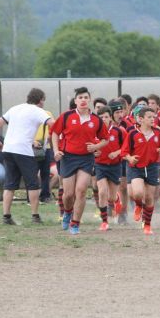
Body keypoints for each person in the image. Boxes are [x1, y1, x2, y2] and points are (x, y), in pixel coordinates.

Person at [51, 87, 108, 235]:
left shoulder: (96, 120)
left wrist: (96, 146)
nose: (83, 100)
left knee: (81, 191)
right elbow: (55, 133)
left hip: (86, 159)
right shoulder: (66, 116)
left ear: (89, 100)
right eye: (80, 97)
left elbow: (105, 139)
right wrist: (56, 150)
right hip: (68, 157)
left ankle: (75, 224)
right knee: (68, 194)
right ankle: (67, 213)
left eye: (85, 97)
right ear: (75, 100)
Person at [0, 88, 55, 224]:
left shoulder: (15, 108)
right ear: (40, 100)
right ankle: (35, 216)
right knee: (33, 183)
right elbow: (52, 124)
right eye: (44, 100)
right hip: (23, 151)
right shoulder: (39, 111)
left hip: (8, 149)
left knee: (10, 184)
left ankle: (6, 217)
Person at [121, 107, 160, 235]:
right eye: (149, 117)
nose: (153, 119)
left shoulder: (158, 133)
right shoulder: (133, 134)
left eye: (154, 117)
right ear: (141, 119)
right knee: (137, 194)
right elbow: (124, 152)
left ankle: (147, 225)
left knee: (149, 197)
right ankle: (138, 205)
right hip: (136, 167)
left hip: (152, 167)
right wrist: (130, 158)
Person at [94, 106, 127, 231]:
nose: (104, 119)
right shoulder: (94, 132)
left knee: (111, 198)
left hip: (115, 166)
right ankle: (104, 222)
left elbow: (126, 146)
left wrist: (117, 153)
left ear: (111, 118)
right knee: (102, 191)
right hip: (100, 165)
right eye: (101, 117)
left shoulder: (119, 131)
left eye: (106, 117)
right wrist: (93, 152)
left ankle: (116, 199)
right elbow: (89, 146)